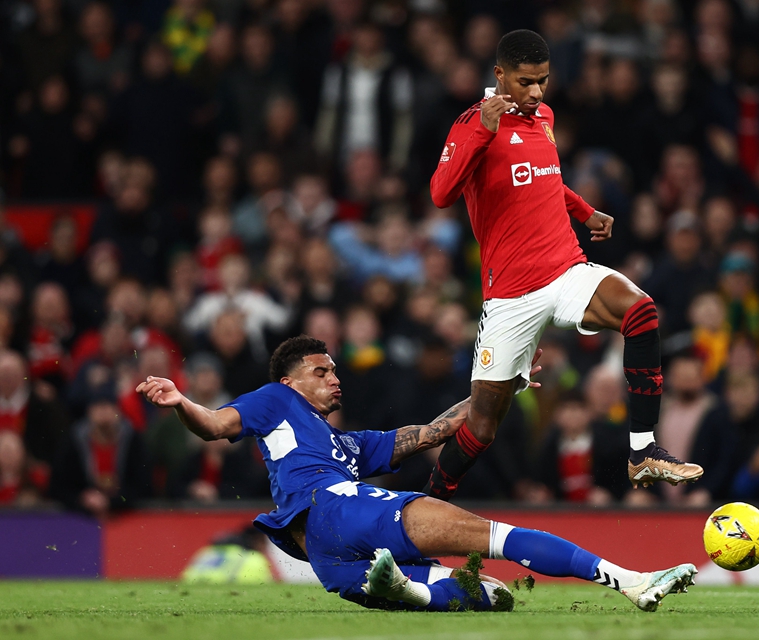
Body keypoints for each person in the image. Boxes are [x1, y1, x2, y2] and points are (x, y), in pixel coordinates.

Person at [136, 336, 696, 612]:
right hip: (337, 506)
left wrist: (508, 386)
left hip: (324, 554)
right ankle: (631, 580)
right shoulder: (273, 402)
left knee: (488, 596)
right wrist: (182, 401)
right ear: (290, 382)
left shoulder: (347, 444)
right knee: (493, 538)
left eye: (335, 371)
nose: (335, 379)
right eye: (320, 371)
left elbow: (432, 432)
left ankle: (408, 588)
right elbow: (215, 425)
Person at [427, 29, 702, 498]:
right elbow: (440, 193)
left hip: (565, 269)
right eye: (525, 81)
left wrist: (584, 210)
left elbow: (545, 178)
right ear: (499, 76)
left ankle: (643, 452)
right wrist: (482, 134)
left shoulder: (545, 117)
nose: (536, 92)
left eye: (544, 81)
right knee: (482, 426)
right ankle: (424, 504)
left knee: (640, 311)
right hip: (510, 293)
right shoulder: (472, 123)